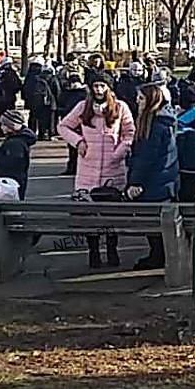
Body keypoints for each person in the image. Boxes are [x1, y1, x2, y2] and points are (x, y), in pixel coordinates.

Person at [57, 72, 136, 268]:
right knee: (89, 215)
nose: (98, 90)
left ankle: (112, 249)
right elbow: (63, 126)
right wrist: (78, 142)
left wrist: (119, 152)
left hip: (113, 170)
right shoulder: (83, 107)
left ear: (109, 87)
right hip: (87, 170)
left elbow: (130, 133)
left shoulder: (120, 107)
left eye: (102, 86)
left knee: (112, 214)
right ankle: (93, 251)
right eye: (95, 86)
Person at [125, 83, 179, 270]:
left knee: (154, 224)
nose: (137, 102)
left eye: (141, 98)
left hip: (155, 183)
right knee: (156, 224)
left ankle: (158, 258)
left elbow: (146, 157)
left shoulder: (155, 126)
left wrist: (135, 181)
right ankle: (158, 256)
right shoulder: (160, 123)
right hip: (162, 180)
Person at [0, 110, 37, 199]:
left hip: (10, 179)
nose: (1, 127)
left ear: (11, 126)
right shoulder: (18, 140)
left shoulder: (15, 142)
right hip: (17, 177)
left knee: (9, 205)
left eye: (3, 125)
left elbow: (9, 161)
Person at [22, 58, 59, 140]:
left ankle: (31, 133)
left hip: (34, 100)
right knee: (46, 118)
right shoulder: (51, 77)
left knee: (33, 117)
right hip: (47, 101)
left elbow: (25, 88)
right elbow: (57, 90)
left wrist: (26, 99)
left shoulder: (32, 76)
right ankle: (45, 134)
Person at [0, 56, 22, 133]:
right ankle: (9, 129)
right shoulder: (12, 73)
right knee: (9, 114)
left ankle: (1, 129)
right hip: (9, 98)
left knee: (0, 114)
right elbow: (18, 85)